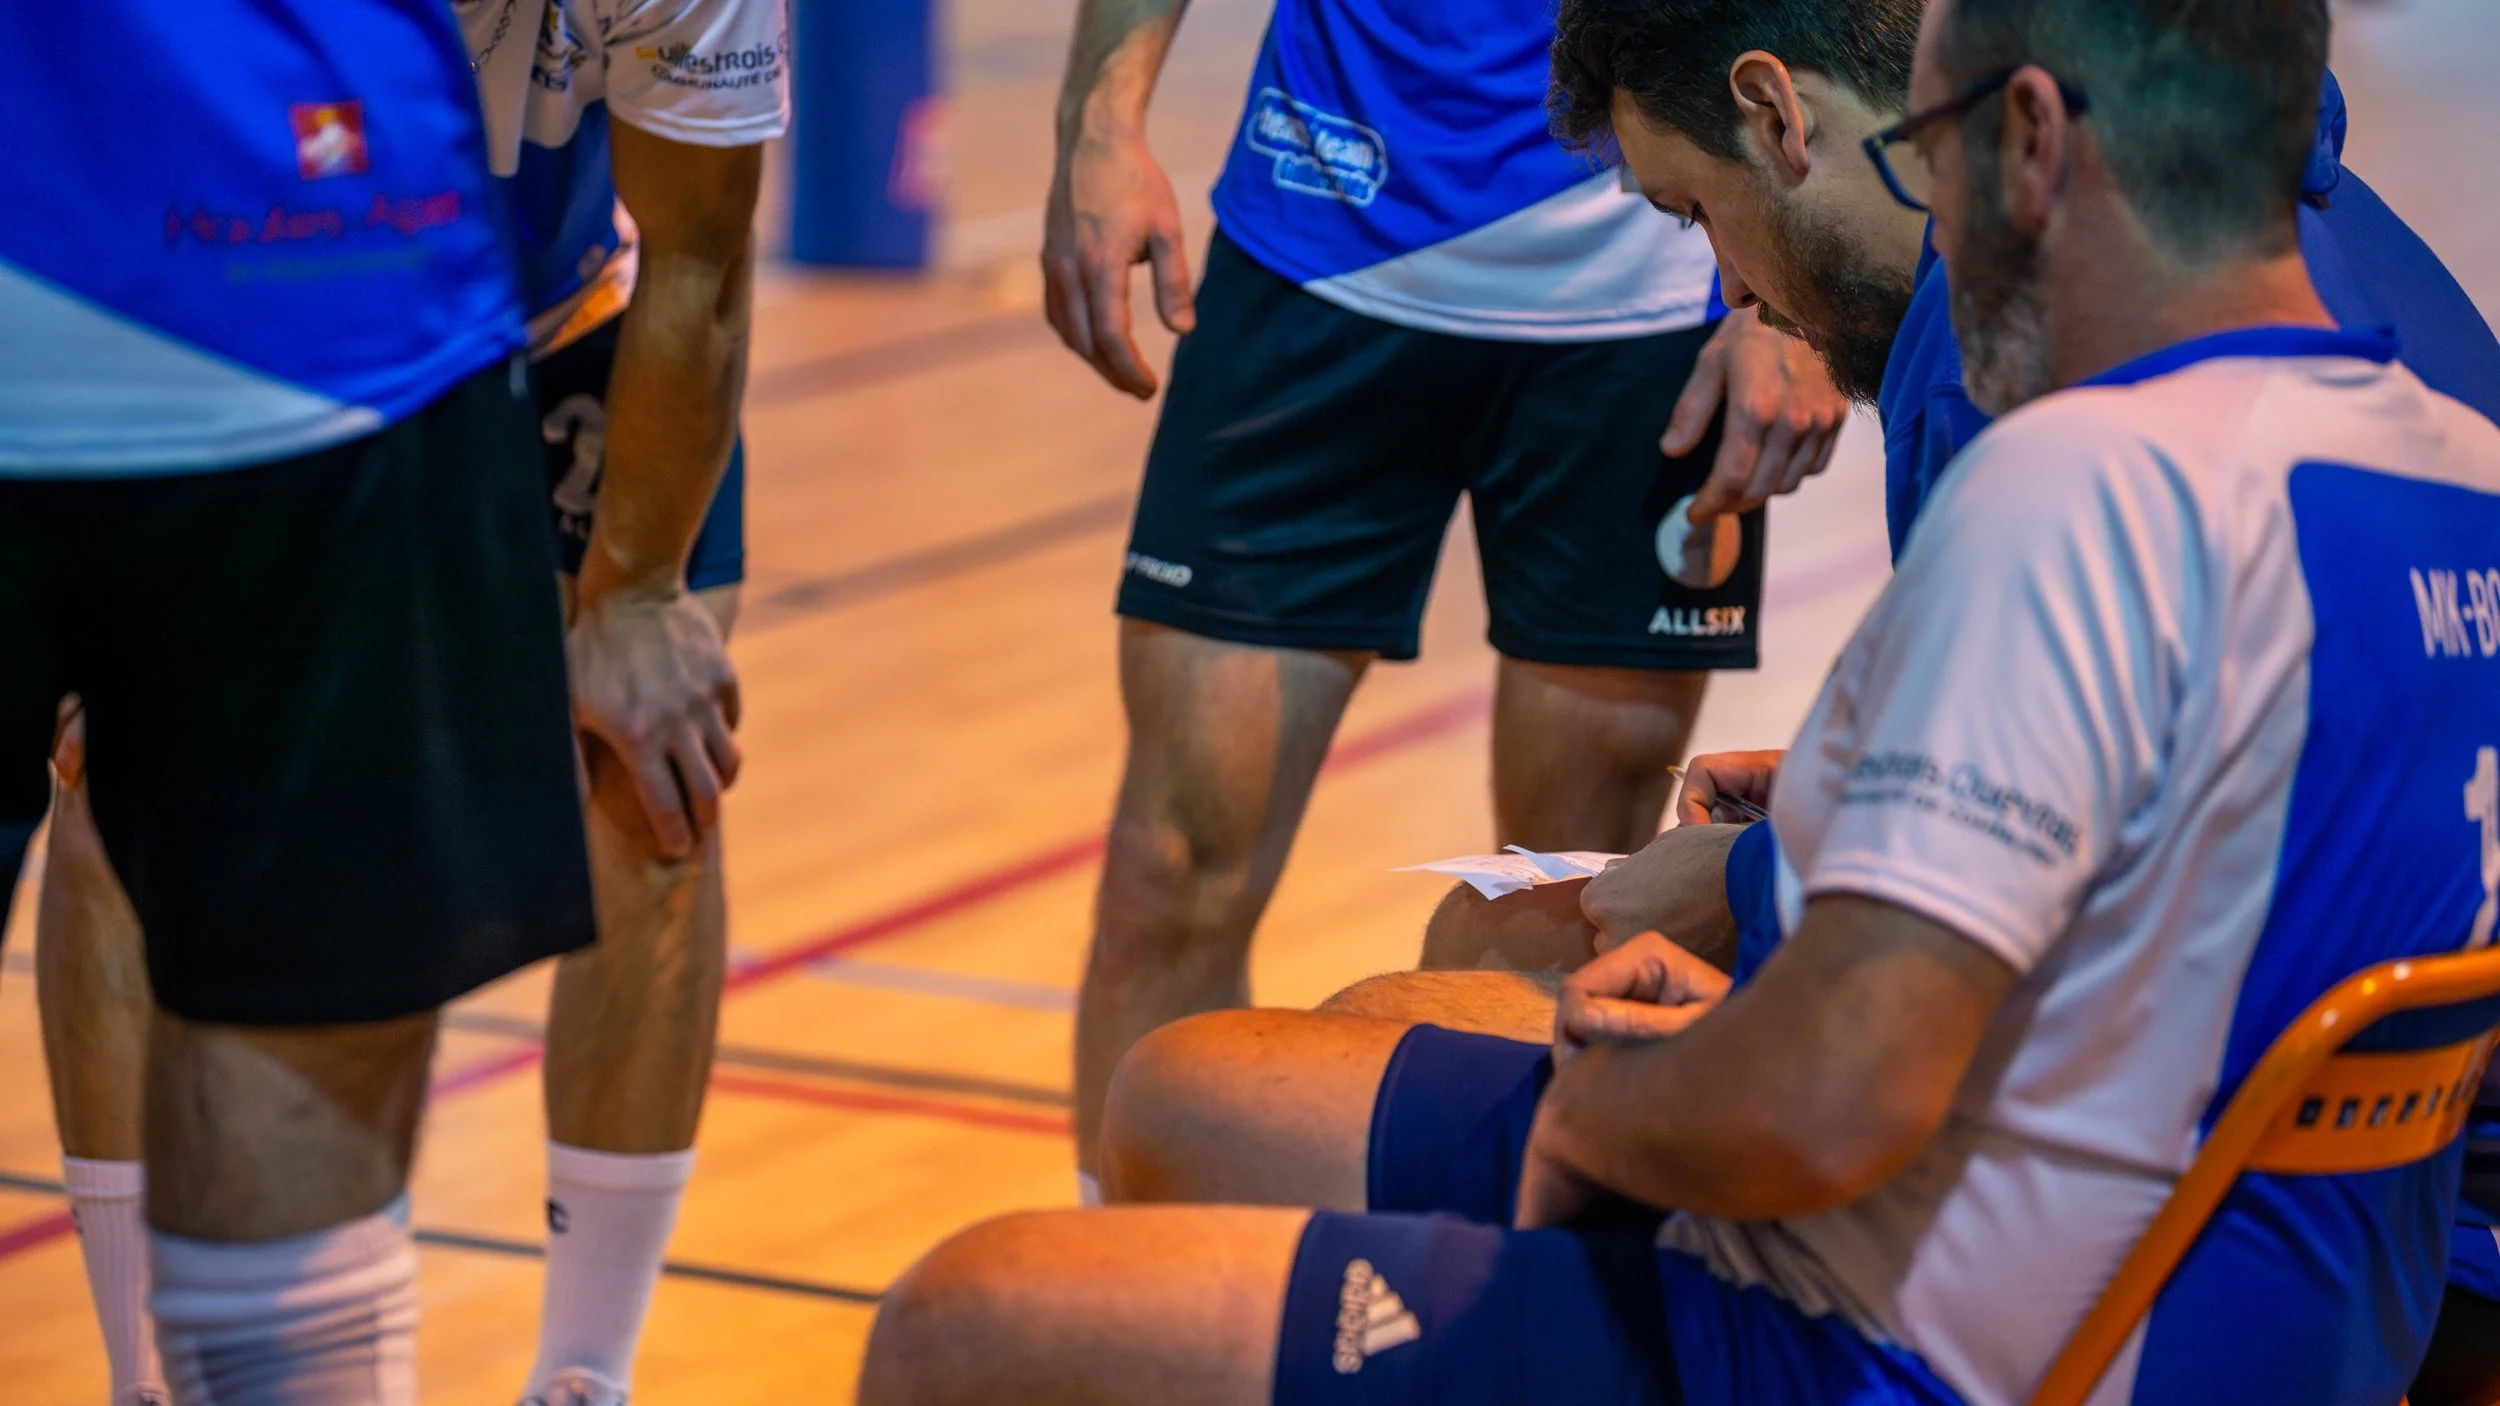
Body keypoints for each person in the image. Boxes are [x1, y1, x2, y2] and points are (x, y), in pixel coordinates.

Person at [858, 0, 2500, 1401]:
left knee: (973, 1313)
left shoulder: (2074, 482)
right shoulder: (2457, 468)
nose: (1928, 212)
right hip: (2272, 1292)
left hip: (1922, 1325)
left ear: (2031, 142)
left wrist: (1612, 1106)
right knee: (1223, 1080)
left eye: (1931, 148)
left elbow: (1825, 1103)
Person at [28, 2, 789, 1402]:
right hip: (204, 297)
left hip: (547, 311)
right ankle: (142, 1374)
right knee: (119, 801)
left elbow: (703, 247)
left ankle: (584, 1376)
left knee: (656, 771)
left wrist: (631, 597)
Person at [1045, 0, 1852, 1198]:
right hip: (1319, 232)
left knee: (1565, 901)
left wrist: (1794, 285)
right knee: (1170, 869)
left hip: (1650, 287)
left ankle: (1479, 1282)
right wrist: (1100, 123)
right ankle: (1135, 1286)